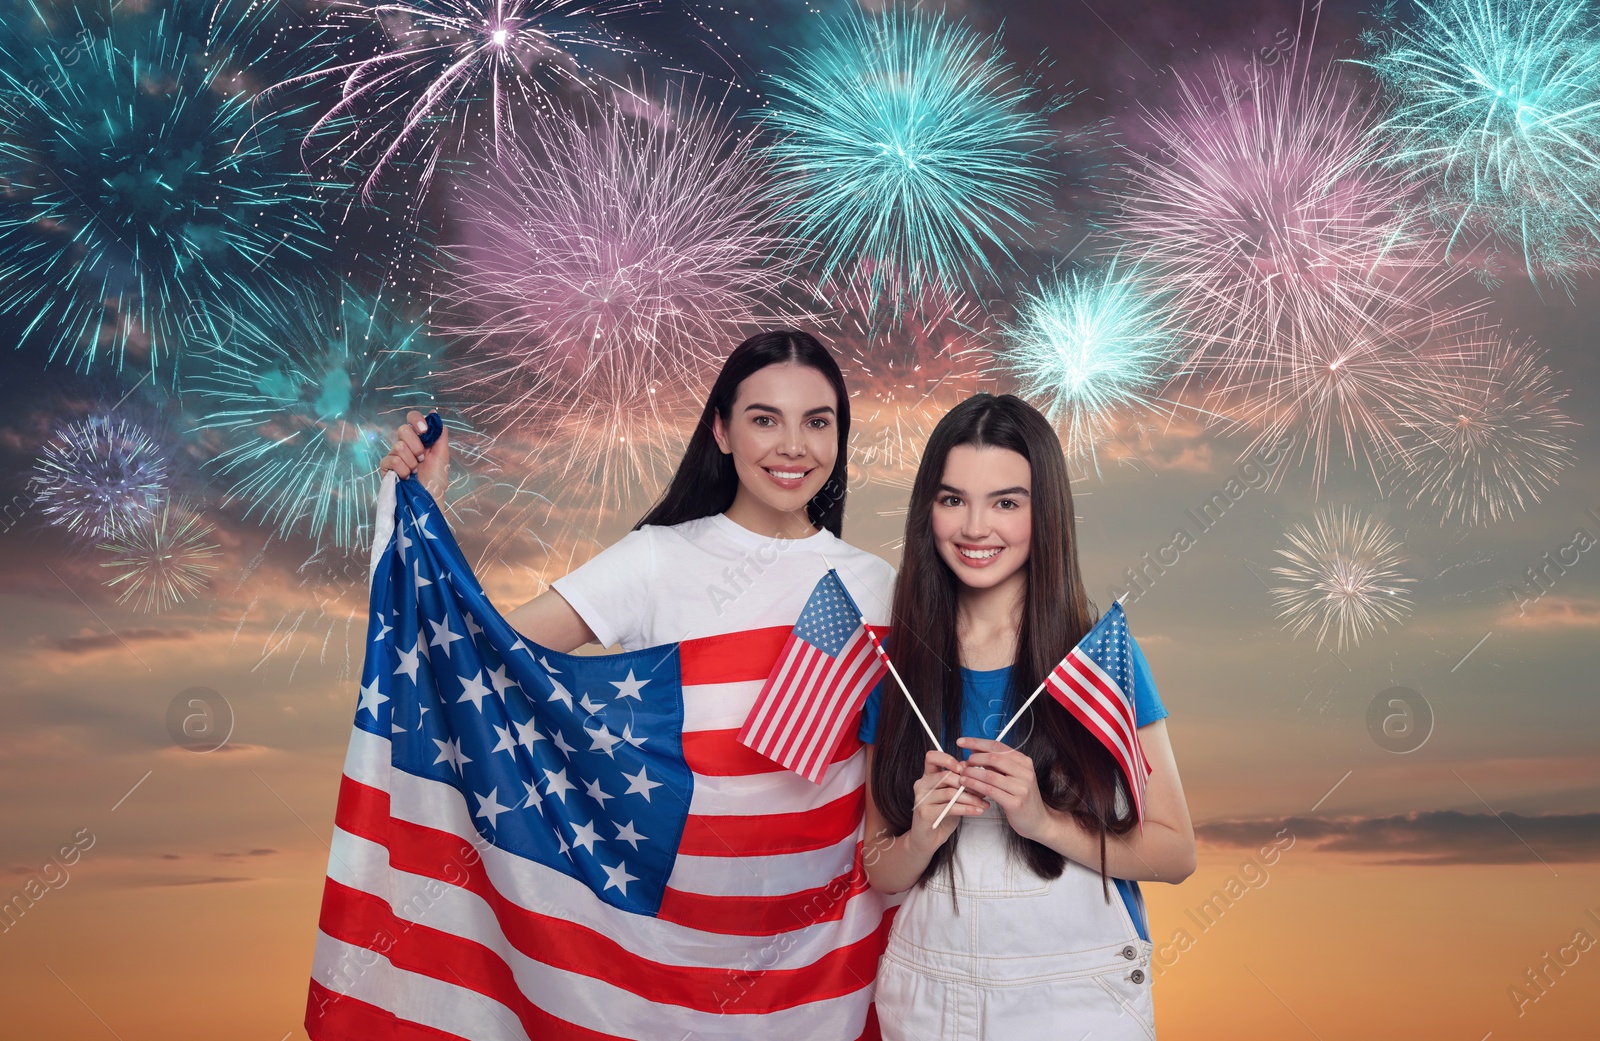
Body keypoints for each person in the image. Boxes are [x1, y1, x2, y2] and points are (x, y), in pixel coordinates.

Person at [378, 329, 896, 1039]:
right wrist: (428, 511)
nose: (793, 447)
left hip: (820, 975)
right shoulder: (657, 559)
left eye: (818, 421)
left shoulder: (880, 586)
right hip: (662, 962)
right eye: (764, 419)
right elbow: (478, 656)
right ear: (720, 429)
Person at [857, 393, 1196, 1041]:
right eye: (953, 499)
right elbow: (878, 865)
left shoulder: (1102, 660)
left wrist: (1042, 820)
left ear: (1046, 515)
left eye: (1006, 502)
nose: (975, 526)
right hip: (931, 996)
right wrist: (923, 835)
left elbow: (1177, 851)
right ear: (927, 507)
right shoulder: (901, 666)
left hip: (1077, 996)